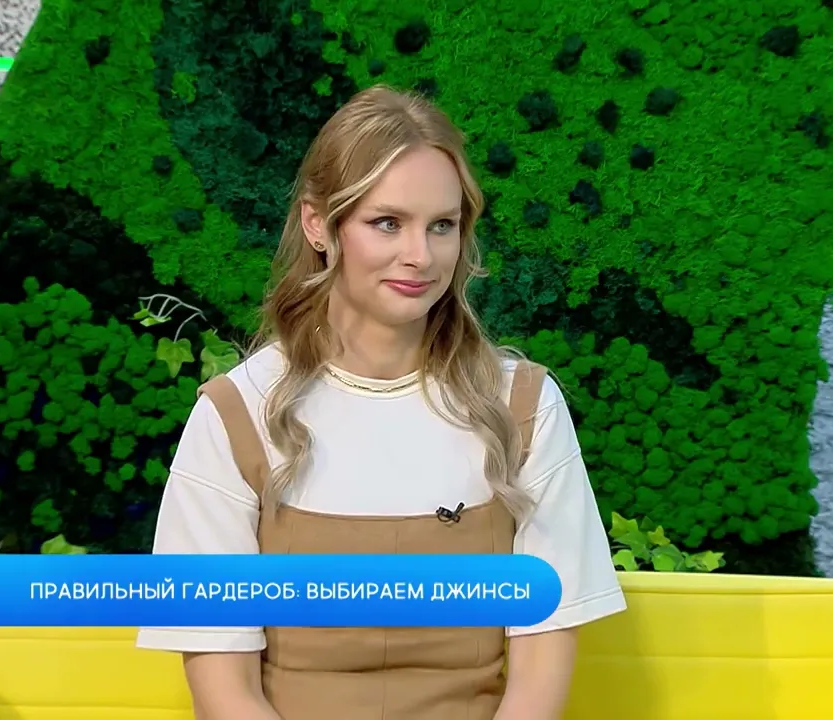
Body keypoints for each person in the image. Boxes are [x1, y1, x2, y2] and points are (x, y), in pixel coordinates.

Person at [136, 84, 627, 720]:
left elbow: (541, 669)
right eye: (387, 223)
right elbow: (224, 691)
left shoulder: (524, 408)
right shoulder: (236, 415)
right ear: (319, 224)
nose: (420, 256)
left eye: (442, 226)